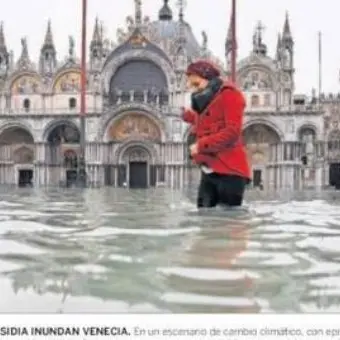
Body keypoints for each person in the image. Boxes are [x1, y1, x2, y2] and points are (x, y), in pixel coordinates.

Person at [182, 60, 251, 208]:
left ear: (209, 80)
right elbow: (209, 119)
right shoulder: (207, 99)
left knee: (228, 220)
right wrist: (186, 115)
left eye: (196, 84)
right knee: (204, 217)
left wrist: (200, 146)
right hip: (210, 169)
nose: (193, 90)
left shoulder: (230, 95)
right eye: (190, 85)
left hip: (230, 171)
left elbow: (232, 132)